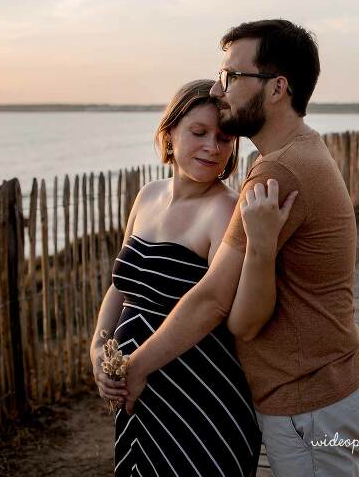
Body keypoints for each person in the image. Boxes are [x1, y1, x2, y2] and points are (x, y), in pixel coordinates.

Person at [123, 19, 359, 476]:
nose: (222, 91)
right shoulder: (296, 153)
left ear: (277, 88)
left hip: (308, 396)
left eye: (233, 77)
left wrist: (135, 367)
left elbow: (224, 305)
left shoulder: (280, 172)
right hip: (319, 385)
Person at [90, 79, 295, 477]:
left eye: (223, 138)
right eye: (198, 133)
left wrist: (136, 366)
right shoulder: (148, 195)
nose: (212, 147)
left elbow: (222, 307)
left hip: (201, 401)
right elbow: (122, 286)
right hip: (140, 394)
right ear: (169, 134)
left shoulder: (227, 210)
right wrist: (99, 349)